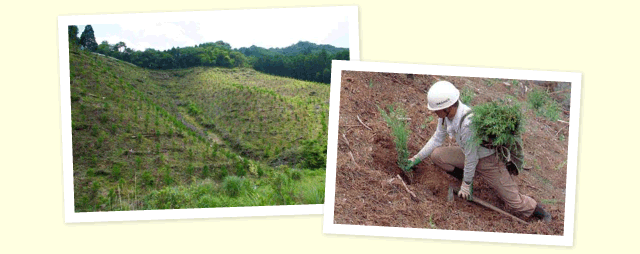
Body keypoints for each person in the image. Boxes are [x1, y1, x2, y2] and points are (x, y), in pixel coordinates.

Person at [406, 80, 552, 222]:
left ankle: (540, 212)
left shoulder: (468, 123)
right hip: (469, 153)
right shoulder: (444, 117)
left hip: (488, 161)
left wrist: (466, 184)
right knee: (437, 156)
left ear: (448, 107)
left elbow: (472, 158)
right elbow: (437, 139)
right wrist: (416, 158)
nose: (434, 113)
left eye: (436, 110)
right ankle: (470, 176)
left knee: (515, 202)